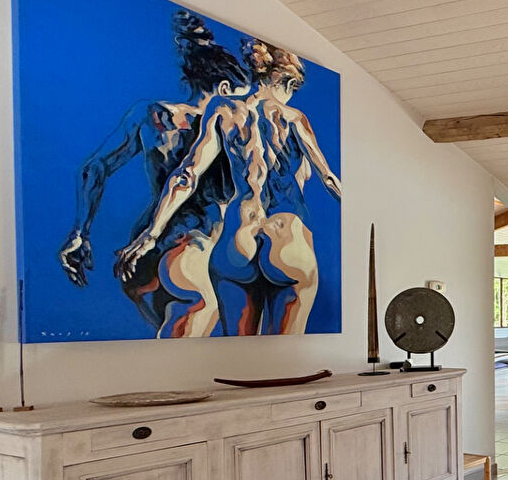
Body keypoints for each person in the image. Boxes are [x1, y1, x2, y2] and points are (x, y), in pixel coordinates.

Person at [115, 37, 340, 335]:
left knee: (237, 351)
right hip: (287, 239)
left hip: (238, 239)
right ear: (286, 82)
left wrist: (151, 233)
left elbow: (187, 174)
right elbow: (328, 179)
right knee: (289, 349)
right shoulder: (294, 118)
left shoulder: (223, 110)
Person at [59, 10, 249, 337]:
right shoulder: (228, 125)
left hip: (143, 249)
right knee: (196, 324)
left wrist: (80, 232)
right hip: (192, 242)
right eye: (239, 97)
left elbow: (94, 167)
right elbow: (192, 178)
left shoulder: (152, 116)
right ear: (224, 88)